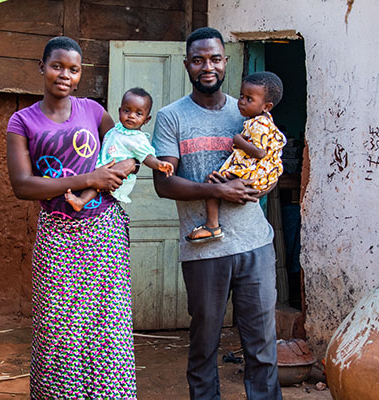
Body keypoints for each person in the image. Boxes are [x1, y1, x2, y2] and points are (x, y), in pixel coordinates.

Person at [151, 27, 283, 399]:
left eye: (214, 58)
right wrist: (217, 189)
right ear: (187, 65)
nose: (206, 67)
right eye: (198, 60)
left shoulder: (249, 110)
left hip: (255, 244)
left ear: (225, 62)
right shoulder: (171, 117)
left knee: (261, 347)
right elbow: (164, 184)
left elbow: (270, 163)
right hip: (204, 249)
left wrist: (264, 184)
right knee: (204, 346)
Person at [6, 36, 137, 399]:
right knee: (59, 331)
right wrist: (88, 179)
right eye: (57, 66)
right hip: (56, 237)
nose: (64, 74)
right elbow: (22, 185)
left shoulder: (94, 111)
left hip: (104, 232)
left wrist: (126, 166)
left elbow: (129, 150)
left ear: (80, 75)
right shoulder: (22, 121)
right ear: (42, 68)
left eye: (73, 69)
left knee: (107, 328)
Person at [186, 71, 286, 243]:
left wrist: (238, 139)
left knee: (211, 183)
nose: (242, 102)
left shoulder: (259, 124)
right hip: (260, 174)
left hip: (251, 173)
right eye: (242, 96)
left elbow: (259, 152)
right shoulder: (264, 121)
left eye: (249, 99)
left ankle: (212, 226)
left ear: (266, 106)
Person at [66, 87, 174, 211]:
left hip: (117, 174)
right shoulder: (116, 129)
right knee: (96, 179)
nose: (131, 116)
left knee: (97, 183)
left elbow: (147, 157)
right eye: (127, 110)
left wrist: (159, 164)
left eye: (138, 114)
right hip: (104, 169)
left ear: (146, 119)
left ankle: (81, 201)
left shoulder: (138, 139)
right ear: (119, 111)